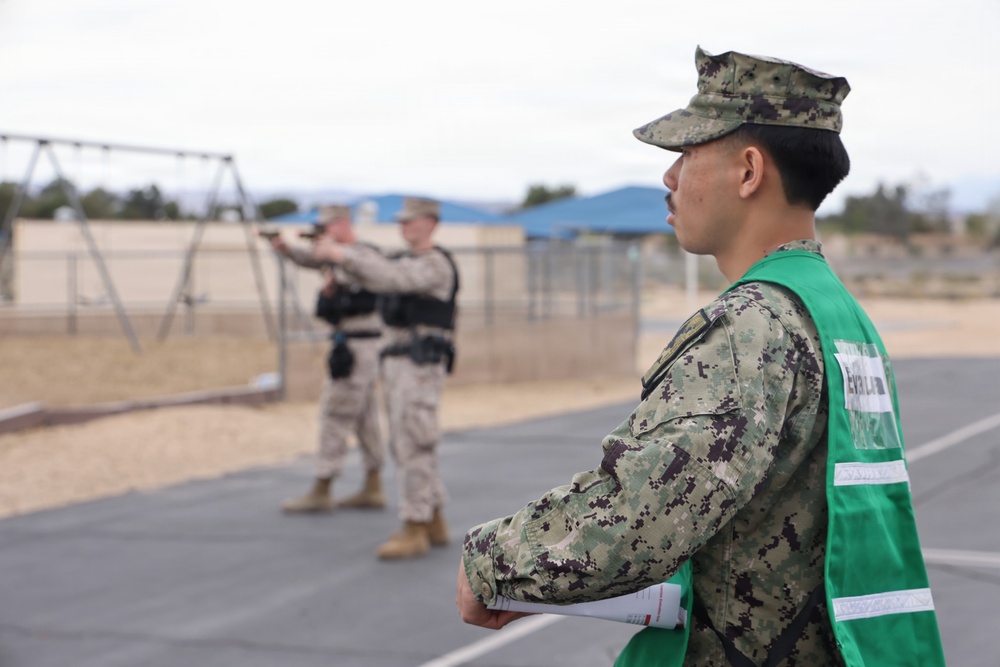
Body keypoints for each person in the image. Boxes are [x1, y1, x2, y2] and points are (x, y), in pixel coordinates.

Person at [456, 46, 946, 666]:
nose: (669, 179)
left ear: (748, 171)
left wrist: (495, 560)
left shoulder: (753, 325)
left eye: (686, 155)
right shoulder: (837, 312)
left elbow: (646, 509)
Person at [313, 197, 459, 560]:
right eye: (402, 221)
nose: (403, 227)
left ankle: (415, 525)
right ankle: (433, 517)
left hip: (419, 362)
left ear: (430, 222)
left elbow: (389, 276)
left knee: (414, 441)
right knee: (407, 441)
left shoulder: (435, 264)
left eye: (410, 221)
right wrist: (335, 257)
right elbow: (373, 270)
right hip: (399, 362)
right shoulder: (404, 259)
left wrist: (344, 254)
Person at [266, 204, 387, 514]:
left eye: (328, 226)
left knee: (335, 413)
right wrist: (285, 249)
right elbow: (311, 259)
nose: (323, 233)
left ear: (343, 224)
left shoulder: (361, 254)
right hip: (354, 342)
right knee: (364, 416)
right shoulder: (337, 256)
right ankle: (373, 483)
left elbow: (366, 275)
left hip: (358, 344)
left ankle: (323, 483)